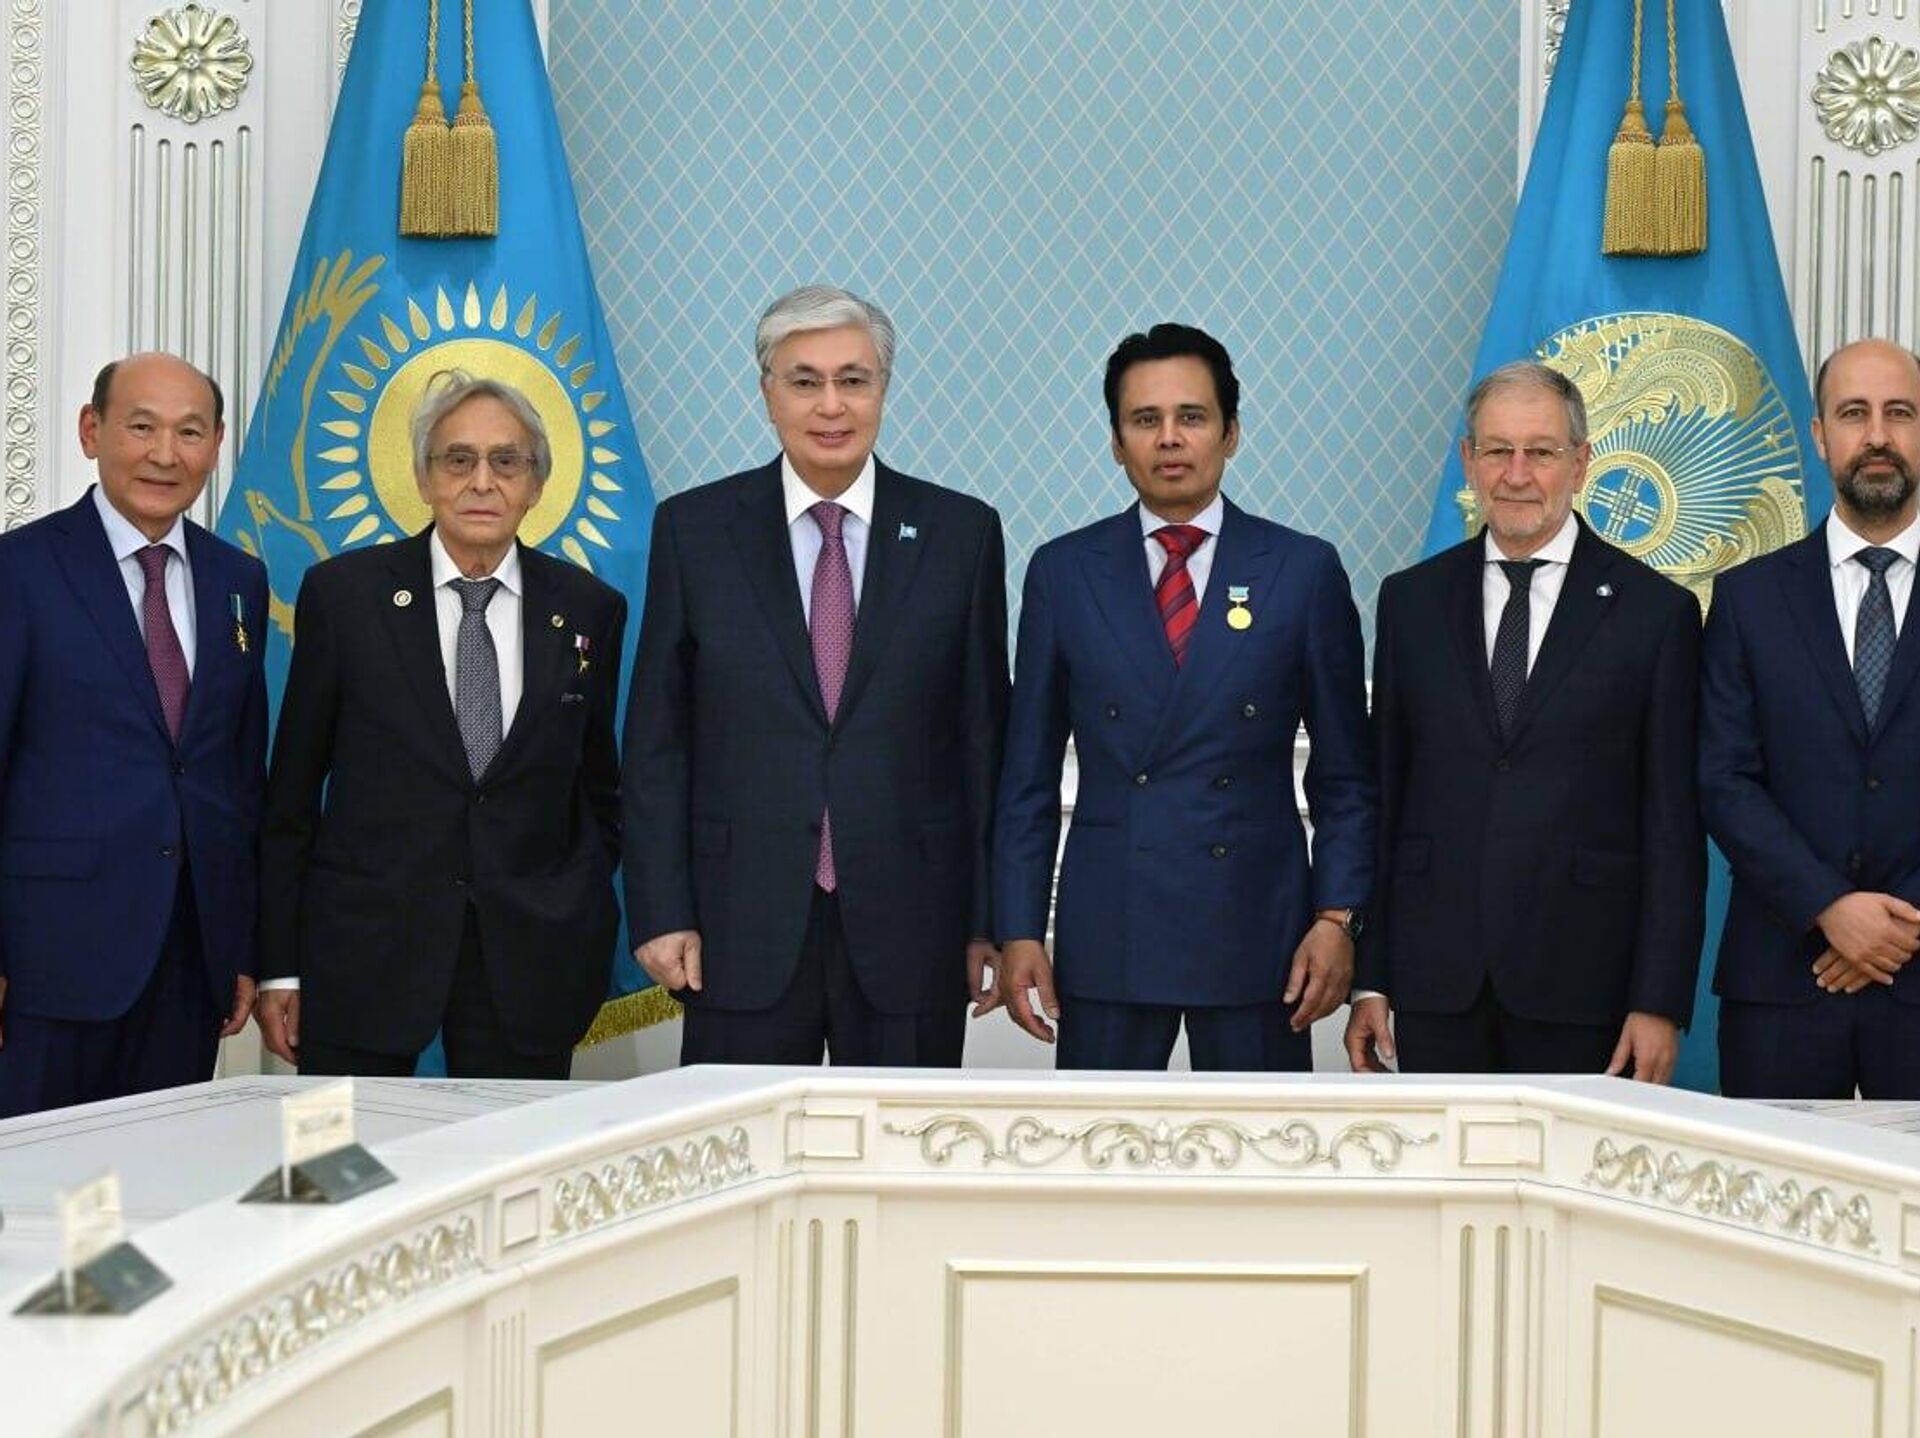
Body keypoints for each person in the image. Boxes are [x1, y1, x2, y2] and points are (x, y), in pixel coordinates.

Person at [624, 285, 1008, 1066]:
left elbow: (982, 743)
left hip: (915, 927)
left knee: (903, 1141)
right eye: (805, 381)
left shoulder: (960, 533)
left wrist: (987, 921)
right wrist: (662, 910)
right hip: (738, 924)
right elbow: (658, 741)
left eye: (853, 379)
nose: (831, 405)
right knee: (741, 1139)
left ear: (883, 389)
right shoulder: (694, 531)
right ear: (767, 393)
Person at [993, 323, 1374, 1070]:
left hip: (1259, 931)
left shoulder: (1301, 570)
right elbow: (1026, 776)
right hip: (1111, 928)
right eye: (1146, 419)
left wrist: (1337, 919)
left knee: (1260, 1143)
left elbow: (1346, 778)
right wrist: (1018, 928)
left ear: (1231, 433)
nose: (1169, 438)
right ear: (1116, 442)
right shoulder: (1064, 572)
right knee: (1099, 1143)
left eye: (1191, 417)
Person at [256, 371, 626, 1078]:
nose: (482, 482)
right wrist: (280, 967)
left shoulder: (588, 609)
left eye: (506, 461)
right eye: (459, 460)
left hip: (527, 960)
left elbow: (597, 791)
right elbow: (292, 802)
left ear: (536, 483)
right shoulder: (344, 598)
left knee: (511, 1150)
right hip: (361, 958)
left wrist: (568, 895)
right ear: (424, 477)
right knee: (338, 1151)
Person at [1346, 360, 1704, 1081]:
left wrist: (1658, 1001)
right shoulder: (1410, 602)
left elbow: (1673, 825)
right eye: (1497, 451)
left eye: (1540, 452)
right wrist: (1370, 979)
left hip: (1585, 983)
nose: (1516, 474)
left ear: (1580, 462)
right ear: (1468, 460)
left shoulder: (1656, 613)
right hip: (1434, 980)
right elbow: (1386, 795)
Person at [0, 353, 265, 1117]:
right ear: (92, 431)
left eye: (190, 432)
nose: (165, 454)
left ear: (216, 445)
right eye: (141, 427)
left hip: (189, 962)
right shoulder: (20, 570)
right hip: (46, 966)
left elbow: (239, 774)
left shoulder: (237, 580)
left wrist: (242, 943)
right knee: (37, 1179)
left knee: (163, 1174)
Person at [1701, 338, 1920, 1098]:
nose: (1878, 436)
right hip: (1782, 982)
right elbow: (1723, 778)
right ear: (1821, 435)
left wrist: (1895, 926)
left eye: (1900, 413)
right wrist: (1828, 906)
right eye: (1854, 414)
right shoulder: (1748, 598)